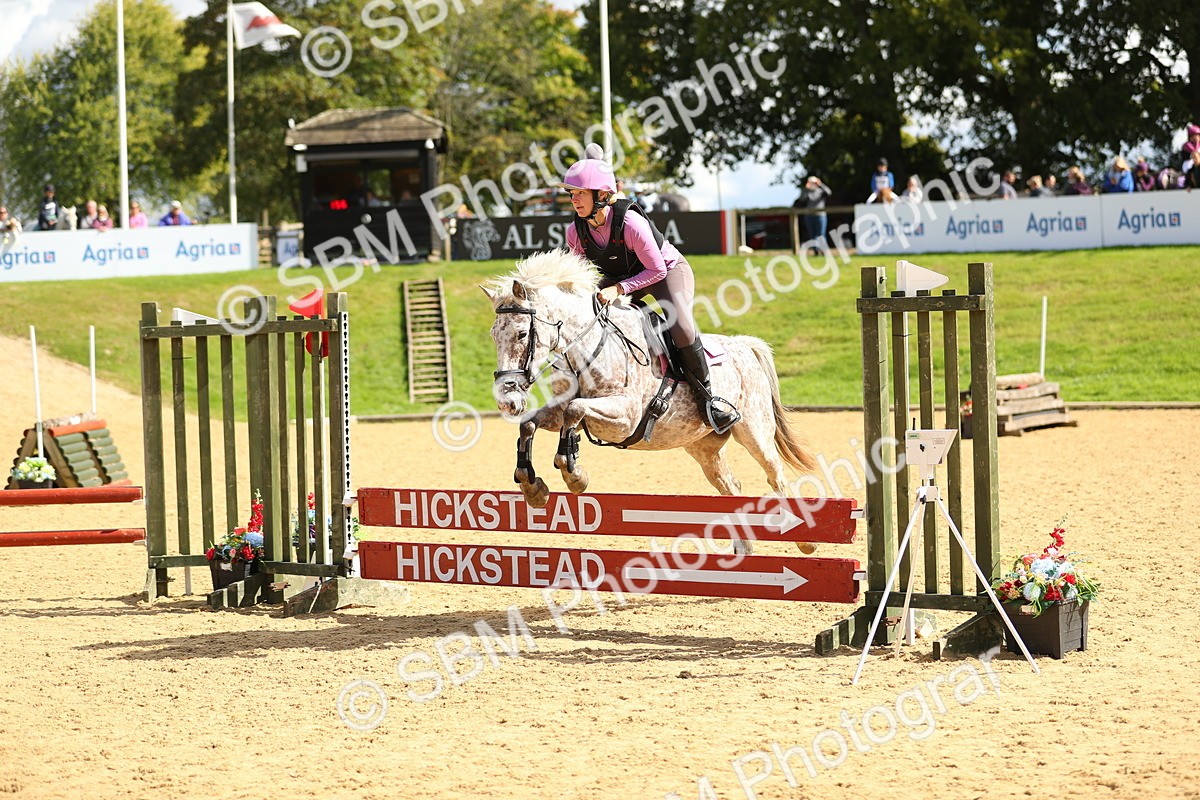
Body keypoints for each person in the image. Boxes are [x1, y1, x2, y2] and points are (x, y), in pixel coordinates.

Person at [559, 143, 740, 433]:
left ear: (602, 195)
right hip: (621, 279)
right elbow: (581, 277)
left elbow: (656, 270)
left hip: (666, 273)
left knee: (680, 324)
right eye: (572, 194)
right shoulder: (575, 230)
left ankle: (708, 400)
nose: (574, 200)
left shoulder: (630, 222)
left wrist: (618, 290)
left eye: (581, 193)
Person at [793, 175, 831, 252]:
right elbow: (801, 199)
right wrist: (805, 189)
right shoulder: (806, 192)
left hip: (820, 216)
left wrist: (820, 184)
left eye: (814, 182)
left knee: (821, 234)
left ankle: (824, 250)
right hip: (809, 216)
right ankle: (815, 251)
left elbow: (829, 192)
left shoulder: (820, 191)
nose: (812, 184)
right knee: (812, 234)